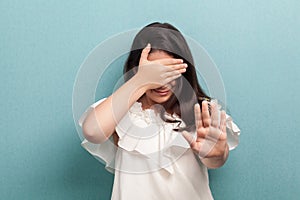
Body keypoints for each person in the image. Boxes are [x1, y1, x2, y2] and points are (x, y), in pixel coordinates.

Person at [78, 22, 240, 199]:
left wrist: (216, 153)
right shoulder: (122, 111)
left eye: (169, 72)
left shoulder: (201, 113)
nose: (161, 83)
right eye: (154, 73)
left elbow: (215, 160)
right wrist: (140, 81)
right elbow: (92, 131)